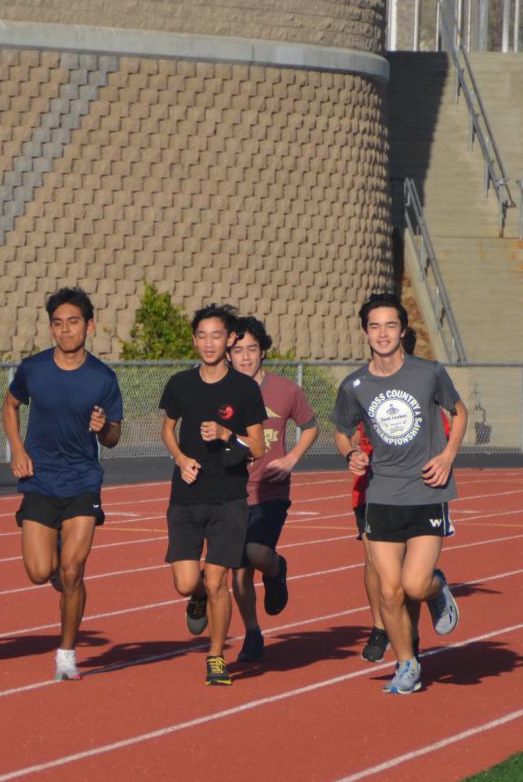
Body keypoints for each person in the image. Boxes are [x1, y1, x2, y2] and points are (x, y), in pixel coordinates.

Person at [332, 294, 466, 695]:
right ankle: (406, 664)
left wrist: (447, 455)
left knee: (413, 585)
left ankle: (437, 588)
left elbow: (458, 413)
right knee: (388, 590)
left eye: (391, 325)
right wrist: (351, 453)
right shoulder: (354, 384)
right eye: (375, 326)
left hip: (427, 491)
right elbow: (341, 431)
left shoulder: (428, 373)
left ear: (403, 330)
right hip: (382, 494)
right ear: (365, 332)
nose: (383, 333)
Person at [3, 288, 124, 681]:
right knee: (40, 573)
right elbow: (9, 405)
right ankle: (54, 556)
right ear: (51, 328)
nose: (65, 330)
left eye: (73, 322)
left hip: (82, 480)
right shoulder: (33, 369)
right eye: (58, 323)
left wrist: (102, 427)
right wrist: (17, 450)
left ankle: (67, 654)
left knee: (73, 571)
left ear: (89, 326)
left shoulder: (103, 378)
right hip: (40, 479)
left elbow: (113, 438)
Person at [159, 304, 266, 686]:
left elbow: (257, 447)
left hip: (228, 498)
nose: (209, 343)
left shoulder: (244, 388)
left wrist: (225, 435)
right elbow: (167, 428)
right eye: (202, 336)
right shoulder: (180, 384)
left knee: (218, 580)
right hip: (186, 496)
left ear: (229, 340)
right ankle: (198, 596)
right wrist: (180, 457)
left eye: (216, 335)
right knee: (188, 583)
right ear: (194, 340)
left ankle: (216, 656)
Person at [226, 315, 318, 663]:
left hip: (269, 491)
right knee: (238, 571)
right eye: (238, 350)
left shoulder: (285, 390)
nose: (245, 357)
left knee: (257, 553)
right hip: (230, 493)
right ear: (228, 353)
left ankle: (277, 568)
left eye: (252, 349)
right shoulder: (220, 390)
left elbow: (310, 426)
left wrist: (292, 458)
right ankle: (252, 632)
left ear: (263, 351)